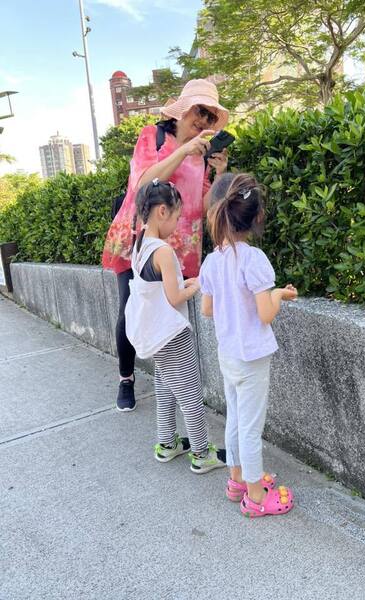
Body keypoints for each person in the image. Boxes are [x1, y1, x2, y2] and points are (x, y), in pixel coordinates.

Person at [102, 79, 229, 412]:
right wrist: (183, 151)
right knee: (130, 309)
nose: (204, 121)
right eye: (200, 111)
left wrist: (219, 174)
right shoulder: (153, 137)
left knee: (172, 318)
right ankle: (126, 377)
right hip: (141, 242)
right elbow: (143, 183)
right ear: (183, 110)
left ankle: (169, 393)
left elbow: (203, 206)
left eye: (210, 117)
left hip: (181, 251)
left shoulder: (203, 156)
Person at [199, 173, 298, 517]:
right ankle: (256, 496)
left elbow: (207, 309)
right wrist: (278, 295)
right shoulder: (254, 260)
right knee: (251, 427)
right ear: (256, 216)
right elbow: (265, 314)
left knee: (235, 419)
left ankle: (237, 478)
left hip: (227, 354)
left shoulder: (212, 261)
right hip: (252, 358)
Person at [125, 178, 226, 473]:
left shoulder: (140, 244)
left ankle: (167, 443)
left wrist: (185, 283)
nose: (178, 224)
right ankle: (201, 453)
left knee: (165, 386)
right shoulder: (163, 251)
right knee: (190, 391)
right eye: (176, 216)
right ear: (161, 211)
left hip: (153, 332)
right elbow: (174, 297)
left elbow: (159, 287)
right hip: (171, 333)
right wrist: (196, 286)